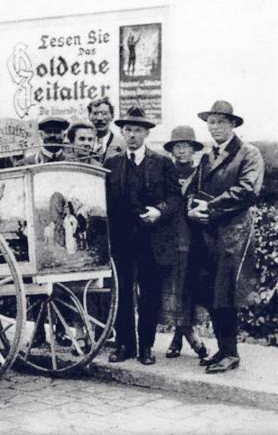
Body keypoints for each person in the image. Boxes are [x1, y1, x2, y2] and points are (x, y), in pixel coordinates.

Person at [186, 100, 264, 374]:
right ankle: (224, 349)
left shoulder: (248, 154)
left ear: (232, 124)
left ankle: (231, 353)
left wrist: (210, 206)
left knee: (226, 293)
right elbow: (193, 188)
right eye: (211, 122)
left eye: (220, 122)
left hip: (234, 235)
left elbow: (247, 190)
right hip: (208, 234)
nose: (214, 127)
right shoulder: (208, 156)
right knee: (211, 292)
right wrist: (192, 207)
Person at [105, 106, 181, 365]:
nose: (132, 135)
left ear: (147, 133)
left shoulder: (162, 163)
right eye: (128, 130)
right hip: (122, 240)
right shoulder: (111, 164)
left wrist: (159, 211)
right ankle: (125, 344)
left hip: (152, 240)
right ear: (122, 132)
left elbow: (175, 199)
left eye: (138, 130)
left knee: (149, 294)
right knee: (122, 292)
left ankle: (146, 347)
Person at [160, 125, 209, 361]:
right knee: (174, 291)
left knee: (188, 291)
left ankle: (180, 338)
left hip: (195, 240)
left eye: (185, 146)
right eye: (177, 147)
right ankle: (186, 338)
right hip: (169, 240)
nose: (181, 152)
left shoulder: (201, 174)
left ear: (193, 149)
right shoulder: (165, 171)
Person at [87, 98, 125, 162]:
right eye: (95, 113)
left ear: (112, 116)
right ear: (89, 116)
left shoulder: (122, 145)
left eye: (104, 113)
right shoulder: (82, 143)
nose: (99, 118)